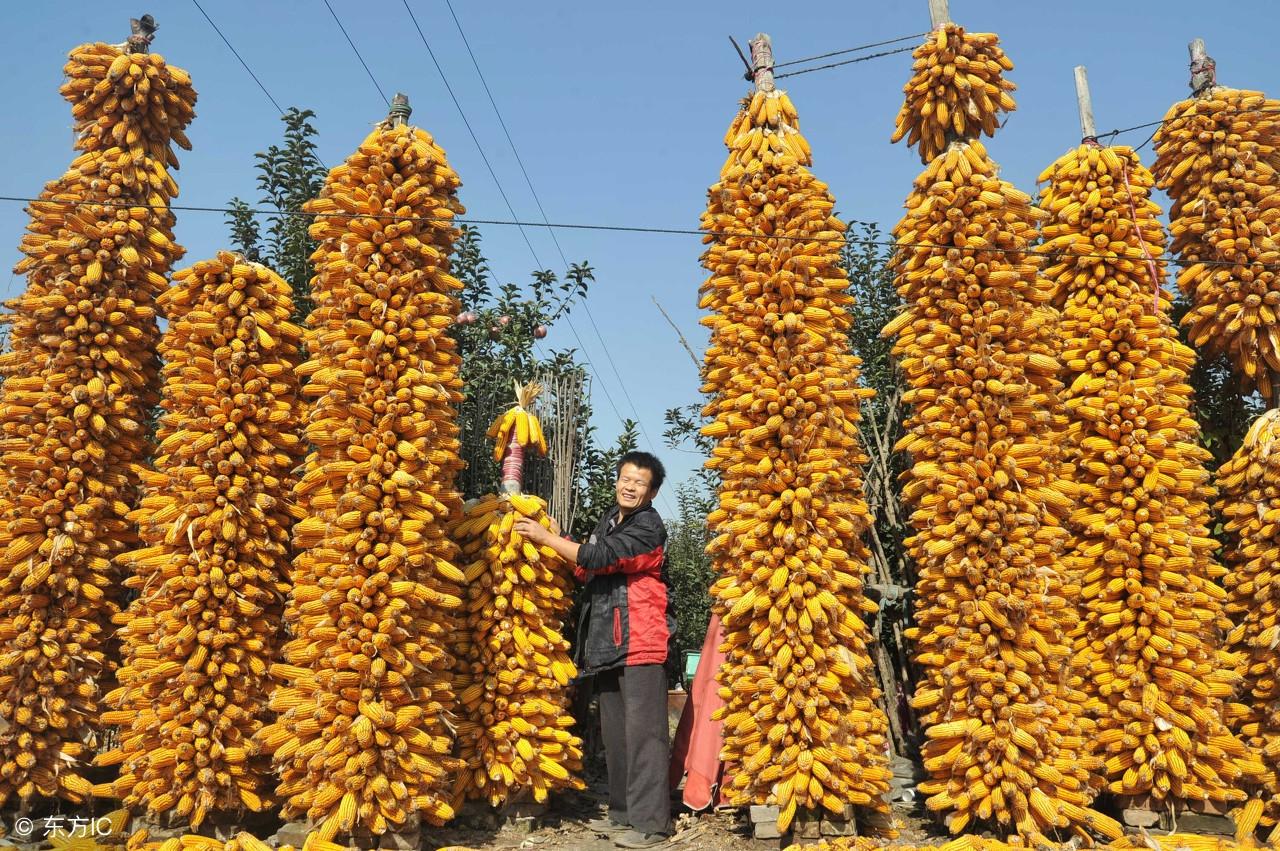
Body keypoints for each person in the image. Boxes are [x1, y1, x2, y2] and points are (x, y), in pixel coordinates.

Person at [514, 450, 675, 849]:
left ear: (651, 491)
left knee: (645, 736)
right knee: (617, 736)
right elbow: (584, 565)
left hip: (641, 640)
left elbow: (601, 557)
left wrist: (547, 539)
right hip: (607, 642)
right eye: (625, 478)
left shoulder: (648, 527)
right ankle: (624, 816)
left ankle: (652, 825)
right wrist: (558, 537)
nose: (629, 485)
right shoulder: (610, 520)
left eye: (639, 482)